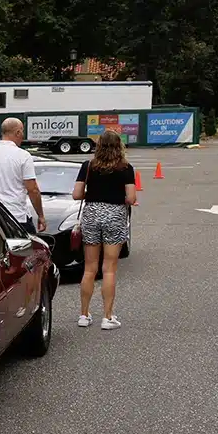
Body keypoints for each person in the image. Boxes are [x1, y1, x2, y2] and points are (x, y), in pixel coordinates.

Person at [71, 129, 137, 330]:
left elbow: (76, 194)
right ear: (119, 146)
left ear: (98, 146)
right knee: (109, 268)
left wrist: (94, 193)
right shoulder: (125, 167)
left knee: (89, 268)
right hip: (115, 215)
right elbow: (131, 198)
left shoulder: (88, 166)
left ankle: (84, 315)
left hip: (91, 214)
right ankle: (107, 317)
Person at [0, 117, 46, 233]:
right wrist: (41, 215)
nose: (22, 135)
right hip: (17, 216)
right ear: (17, 132)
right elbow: (33, 189)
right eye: (22, 131)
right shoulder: (23, 156)